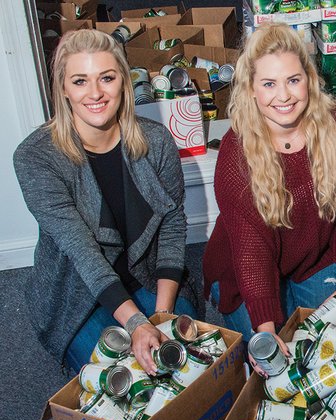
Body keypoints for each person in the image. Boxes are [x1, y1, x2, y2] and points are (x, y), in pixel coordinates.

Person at [14, 29, 198, 375]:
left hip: (146, 277)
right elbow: (81, 251)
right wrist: (137, 325)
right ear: (64, 89)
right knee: (123, 376)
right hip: (79, 291)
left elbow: (173, 225)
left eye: (107, 78)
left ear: (123, 83)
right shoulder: (35, 157)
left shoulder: (156, 141)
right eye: (80, 81)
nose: (95, 93)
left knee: (182, 363)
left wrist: (161, 315)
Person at [203, 23, 336, 358]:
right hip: (242, 269)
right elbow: (252, 253)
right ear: (251, 88)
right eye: (269, 84)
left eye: (294, 80)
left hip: (314, 256)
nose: (284, 96)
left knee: (333, 351)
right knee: (279, 362)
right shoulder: (236, 154)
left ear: (309, 78)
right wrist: (265, 331)